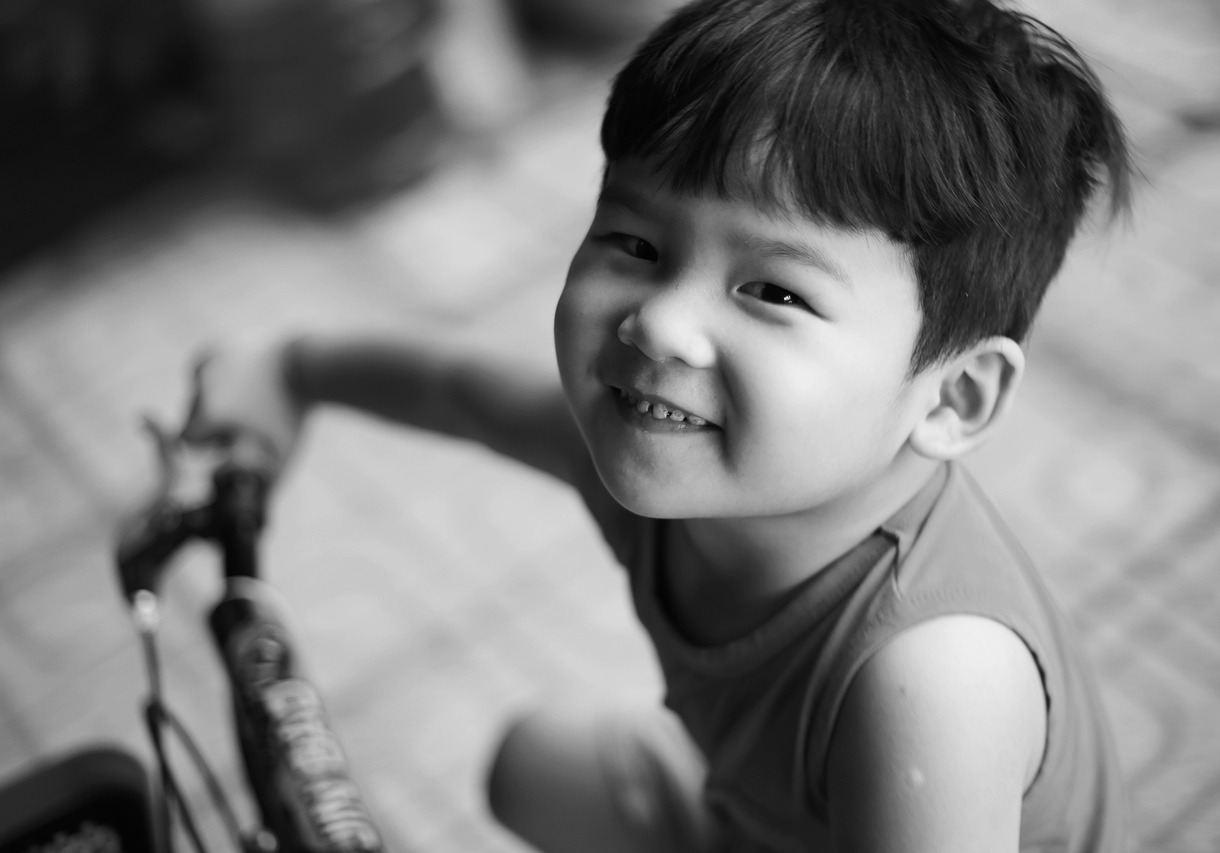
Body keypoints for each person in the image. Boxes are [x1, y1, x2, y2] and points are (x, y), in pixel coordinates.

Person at [182, 0, 1133, 850]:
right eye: (636, 243)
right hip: (757, 816)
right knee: (536, 763)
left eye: (774, 291)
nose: (660, 322)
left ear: (953, 398)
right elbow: (456, 389)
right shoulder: (671, 453)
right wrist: (291, 367)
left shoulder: (930, 684)